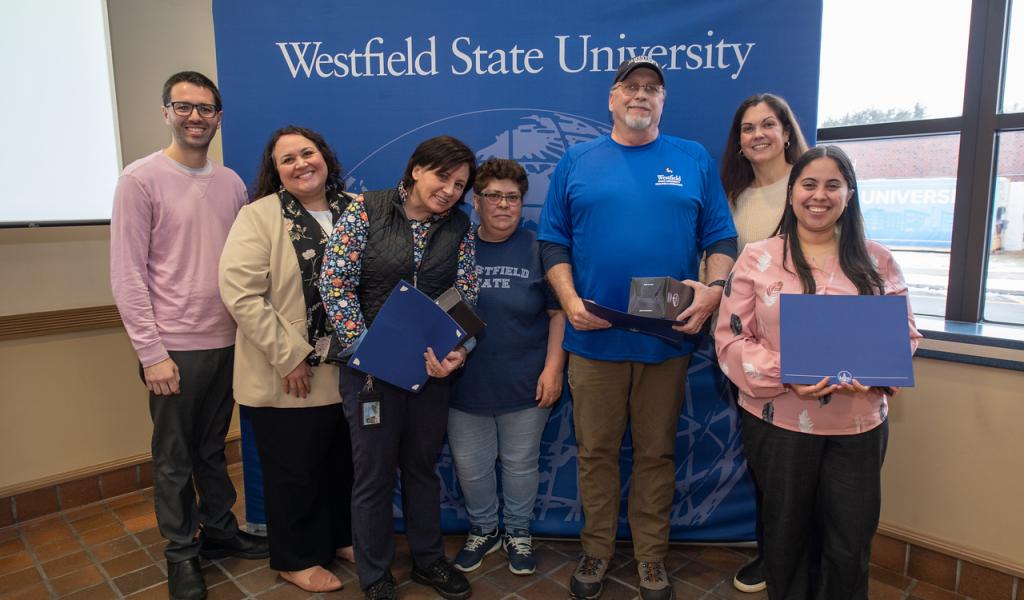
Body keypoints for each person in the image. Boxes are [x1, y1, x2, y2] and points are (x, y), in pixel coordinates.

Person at [537, 56, 738, 600]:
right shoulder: (577, 160)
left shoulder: (692, 158)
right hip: (593, 337)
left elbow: (721, 238)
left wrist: (713, 290)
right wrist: (570, 298)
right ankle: (597, 552)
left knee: (656, 454)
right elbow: (552, 241)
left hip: (666, 339)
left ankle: (650, 559)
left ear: (662, 102)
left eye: (652, 88)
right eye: (630, 87)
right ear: (612, 98)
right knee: (595, 453)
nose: (641, 95)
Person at [715, 146, 921, 600]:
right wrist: (787, 371)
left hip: (858, 426)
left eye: (833, 185)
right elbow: (729, 340)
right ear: (792, 194)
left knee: (849, 545)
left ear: (850, 194)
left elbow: (904, 335)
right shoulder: (758, 258)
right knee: (786, 542)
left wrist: (877, 368)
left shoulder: (878, 261)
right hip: (779, 425)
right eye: (809, 184)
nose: (819, 195)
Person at [110, 71, 268, 600]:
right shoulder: (140, 179)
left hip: (229, 341)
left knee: (211, 449)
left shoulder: (231, 184)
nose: (195, 117)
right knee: (174, 458)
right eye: (184, 107)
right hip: (173, 347)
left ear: (218, 118)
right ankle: (181, 553)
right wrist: (151, 353)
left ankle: (220, 532)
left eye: (205, 109)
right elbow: (127, 274)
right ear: (166, 113)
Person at [319, 135, 479, 600]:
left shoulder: (460, 227)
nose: (450, 190)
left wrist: (459, 350)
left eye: (460, 184)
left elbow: (465, 295)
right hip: (370, 371)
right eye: (442, 177)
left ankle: (429, 561)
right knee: (373, 474)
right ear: (416, 170)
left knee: (423, 469)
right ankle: (375, 574)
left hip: (431, 372)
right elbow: (335, 281)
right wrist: (366, 345)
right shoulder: (367, 210)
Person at [218, 126, 354, 593]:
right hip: (289, 371)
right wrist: (289, 356)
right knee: (295, 470)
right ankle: (295, 558)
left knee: (341, 462)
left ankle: (340, 537)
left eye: (308, 153)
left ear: (325, 157)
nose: (301, 164)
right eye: (287, 160)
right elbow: (241, 294)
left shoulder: (356, 209)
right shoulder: (258, 216)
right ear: (275, 172)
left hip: (350, 369)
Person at [448, 159, 567, 576]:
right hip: (464, 384)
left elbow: (558, 314)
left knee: (520, 464)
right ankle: (484, 529)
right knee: (470, 466)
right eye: (493, 196)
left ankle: (517, 531)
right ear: (476, 202)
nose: (503, 205)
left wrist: (553, 370)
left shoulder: (540, 249)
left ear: (522, 202)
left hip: (526, 383)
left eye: (512, 197)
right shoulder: (454, 247)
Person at [718, 92, 809, 593]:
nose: (758, 134)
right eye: (747, 128)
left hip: (809, 345)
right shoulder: (733, 198)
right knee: (766, 461)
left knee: (810, 465)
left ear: (786, 131)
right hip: (749, 350)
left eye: (767, 124)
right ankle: (772, 554)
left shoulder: (811, 187)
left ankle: (805, 560)